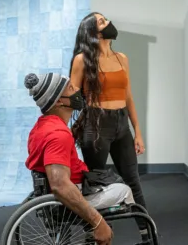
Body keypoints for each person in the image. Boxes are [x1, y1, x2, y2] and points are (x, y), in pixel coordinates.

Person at [23, 72, 134, 245]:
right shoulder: (58, 135)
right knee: (124, 190)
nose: (76, 89)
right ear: (59, 100)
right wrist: (97, 221)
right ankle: (98, 230)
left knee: (104, 178)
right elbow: (60, 185)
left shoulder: (40, 127)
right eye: (70, 87)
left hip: (51, 193)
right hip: (68, 197)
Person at [68, 12, 149, 242]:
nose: (108, 23)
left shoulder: (122, 57)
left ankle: (147, 233)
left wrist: (138, 132)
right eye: (102, 22)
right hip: (96, 125)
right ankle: (98, 236)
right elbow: (72, 95)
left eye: (105, 19)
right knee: (97, 188)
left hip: (121, 125)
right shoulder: (83, 60)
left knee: (133, 181)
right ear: (93, 33)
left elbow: (129, 96)